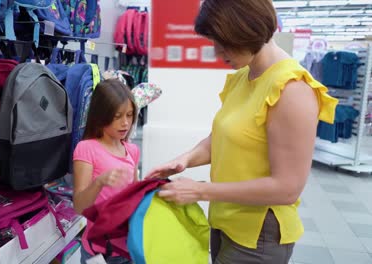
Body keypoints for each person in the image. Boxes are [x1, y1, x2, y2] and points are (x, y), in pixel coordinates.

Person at [146, 0, 338, 263]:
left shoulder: (291, 89)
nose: (217, 52)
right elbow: (224, 137)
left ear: (244, 29)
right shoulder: (243, 77)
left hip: (258, 235)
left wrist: (200, 191)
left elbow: (287, 187)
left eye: (221, 42)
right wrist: (185, 160)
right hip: (225, 220)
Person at [73, 79, 139, 264]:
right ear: (101, 115)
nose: (125, 123)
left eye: (129, 115)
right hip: (99, 252)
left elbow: (133, 200)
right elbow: (79, 206)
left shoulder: (132, 151)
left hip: (128, 248)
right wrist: (99, 182)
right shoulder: (86, 149)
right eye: (117, 116)